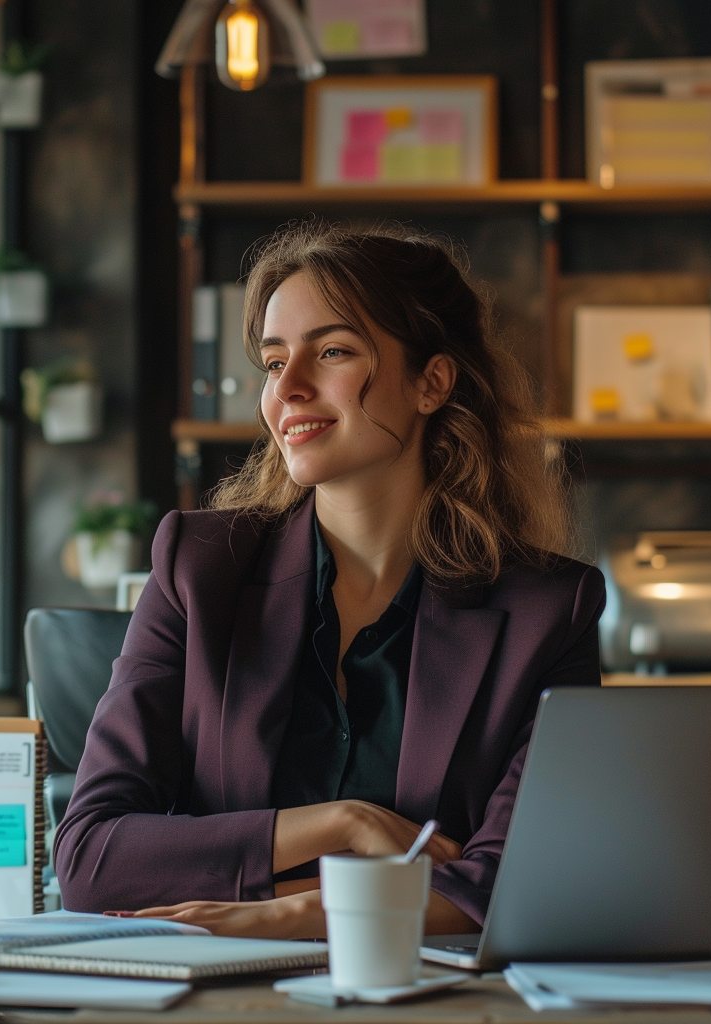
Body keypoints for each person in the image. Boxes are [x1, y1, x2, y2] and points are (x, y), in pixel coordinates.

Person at [53, 222, 605, 939]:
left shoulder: (549, 610)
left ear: (432, 382)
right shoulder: (198, 567)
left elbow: (512, 881)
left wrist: (293, 911)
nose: (289, 388)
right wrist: (341, 824)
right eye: (274, 361)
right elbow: (92, 860)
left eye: (333, 351)